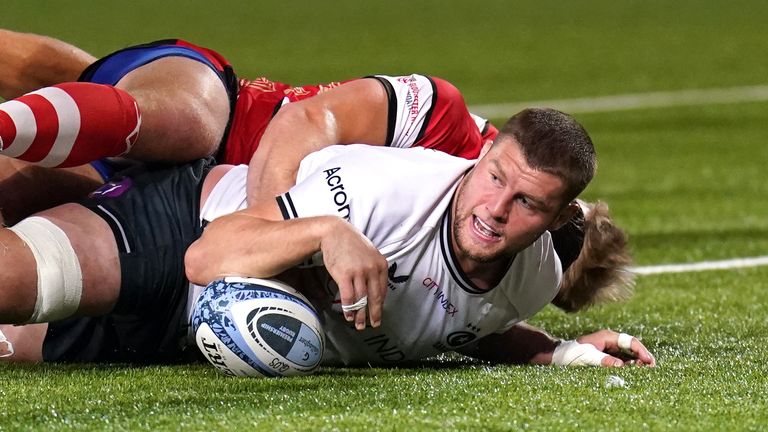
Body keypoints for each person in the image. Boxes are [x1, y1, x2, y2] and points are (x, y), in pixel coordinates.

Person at [0, 107, 654, 369]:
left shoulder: (535, 275)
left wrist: (558, 352)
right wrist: (326, 232)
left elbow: (470, 323)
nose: (493, 209)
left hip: (189, 337)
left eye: (526, 203)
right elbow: (207, 257)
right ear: (478, 159)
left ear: (555, 216)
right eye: (491, 178)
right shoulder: (381, 190)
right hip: (184, 231)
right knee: (20, 282)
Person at [0, 30, 496, 224]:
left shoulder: (458, 280)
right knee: (178, 122)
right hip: (221, 109)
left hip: (175, 208)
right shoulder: (444, 122)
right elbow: (307, 119)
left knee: (22, 203)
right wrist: (268, 231)